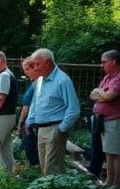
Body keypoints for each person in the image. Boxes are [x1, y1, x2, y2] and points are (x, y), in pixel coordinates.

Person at [26, 48, 80, 176]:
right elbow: (35, 103)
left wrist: (62, 128)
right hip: (41, 129)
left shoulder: (62, 80)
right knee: (44, 167)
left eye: (37, 64)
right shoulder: (39, 80)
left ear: (48, 63)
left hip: (55, 128)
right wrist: (30, 120)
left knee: (53, 168)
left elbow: (74, 108)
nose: (35, 68)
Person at [89, 49, 120, 189]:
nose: (101, 65)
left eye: (104, 62)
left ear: (113, 61)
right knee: (108, 152)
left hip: (116, 120)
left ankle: (116, 184)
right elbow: (92, 94)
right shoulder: (108, 77)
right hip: (104, 119)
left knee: (115, 153)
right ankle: (108, 181)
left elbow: (108, 97)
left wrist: (101, 93)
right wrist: (102, 93)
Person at [18, 57, 40, 167]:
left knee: (32, 151)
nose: (25, 72)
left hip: (31, 123)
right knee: (29, 150)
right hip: (30, 122)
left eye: (27, 69)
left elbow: (26, 106)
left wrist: (21, 122)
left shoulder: (38, 84)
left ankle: (34, 174)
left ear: (35, 68)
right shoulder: (34, 83)